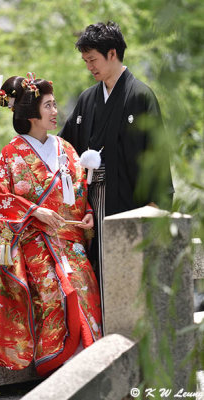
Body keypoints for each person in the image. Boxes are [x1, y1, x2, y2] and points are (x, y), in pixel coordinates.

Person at [0, 73, 102, 376]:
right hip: (37, 247)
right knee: (54, 298)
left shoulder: (67, 149)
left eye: (55, 105)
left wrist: (89, 214)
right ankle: (61, 372)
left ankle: (91, 373)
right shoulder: (11, 154)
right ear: (31, 113)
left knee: (87, 295)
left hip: (72, 244)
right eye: (49, 106)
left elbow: (80, 190)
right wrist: (34, 211)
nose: (56, 112)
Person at [59, 21, 174, 315]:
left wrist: (154, 210)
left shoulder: (140, 96)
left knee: (131, 298)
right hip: (92, 212)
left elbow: (158, 160)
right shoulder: (87, 99)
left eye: (92, 60)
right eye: (85, 61)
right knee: (98, 292)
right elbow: (64, 148)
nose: (89, 67)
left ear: (112, 54)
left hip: (130, 209)